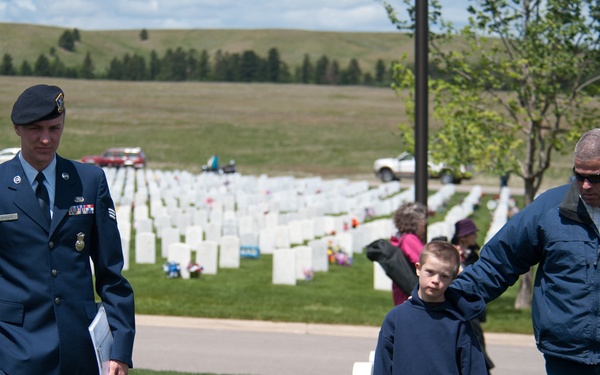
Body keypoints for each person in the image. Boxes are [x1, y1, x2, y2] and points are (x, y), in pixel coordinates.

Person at [0, 84, 135, 374]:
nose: (46, 139)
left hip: (78, 347)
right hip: (13, 348)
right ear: (17, 128)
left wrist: (120, 349)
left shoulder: (89, 181)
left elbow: (111, 272)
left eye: (54, 128)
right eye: (36, 128)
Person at [451, 128, 600, 374]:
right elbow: (499, 262)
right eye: (578, 175)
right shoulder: (549, 209)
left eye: (595, 177)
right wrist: (444, 298)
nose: (585, 185)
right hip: (567, 357)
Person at [373, 241, 488, 375]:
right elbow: (382, 367)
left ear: (453, 279)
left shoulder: (458, 322)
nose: (435, 280)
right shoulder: (396, 318)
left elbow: (474, 368)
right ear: (418, 268)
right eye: (430, 272)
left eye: (444, 276)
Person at [451, 218, 495, 374]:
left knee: (477, 341)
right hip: (456, 304)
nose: (475, 236)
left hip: (472, 304)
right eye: (472, 234)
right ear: (463, 236)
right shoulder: (450, 253)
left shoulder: (474, 256)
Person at [389, 201, 427, 305]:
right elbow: (427, 262)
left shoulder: (401, 238)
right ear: (415, 222)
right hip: (410, 297)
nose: (425, 223)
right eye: (423, 220)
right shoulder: (409, 240)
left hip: (403, 295)